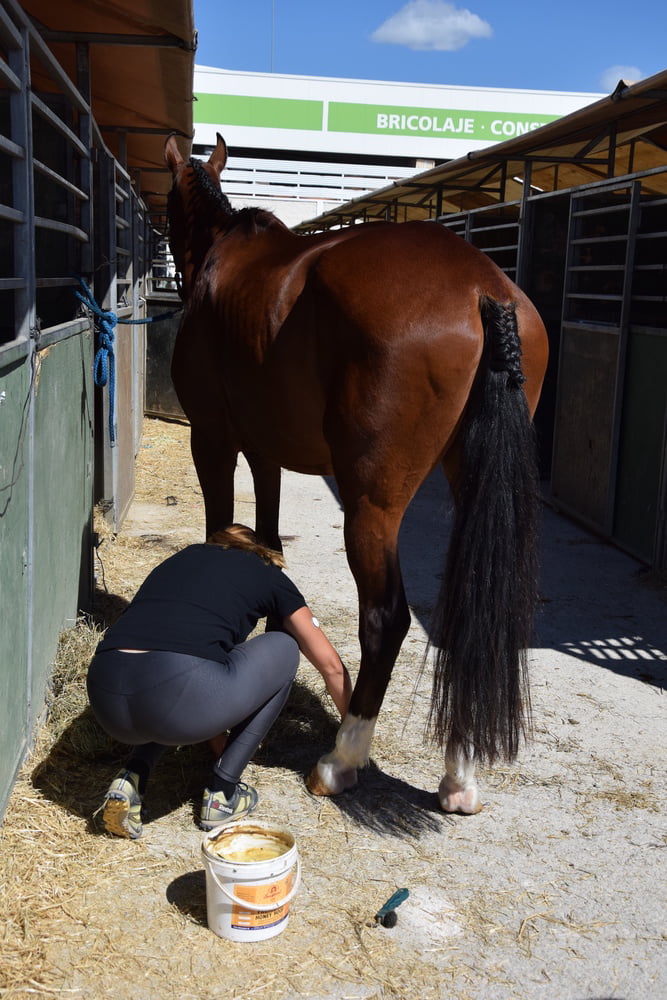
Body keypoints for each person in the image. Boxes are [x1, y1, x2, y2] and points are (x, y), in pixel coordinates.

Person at [87, 524, 352, 839]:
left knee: (177, 682)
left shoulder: (181, 559)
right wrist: (354, 741)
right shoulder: (265, 571)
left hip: (106, 693)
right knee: (284, 647)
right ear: (259, 551)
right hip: (177, 688)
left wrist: (216, 740)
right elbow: (332, 667)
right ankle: (223, 794)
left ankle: (131, 777)